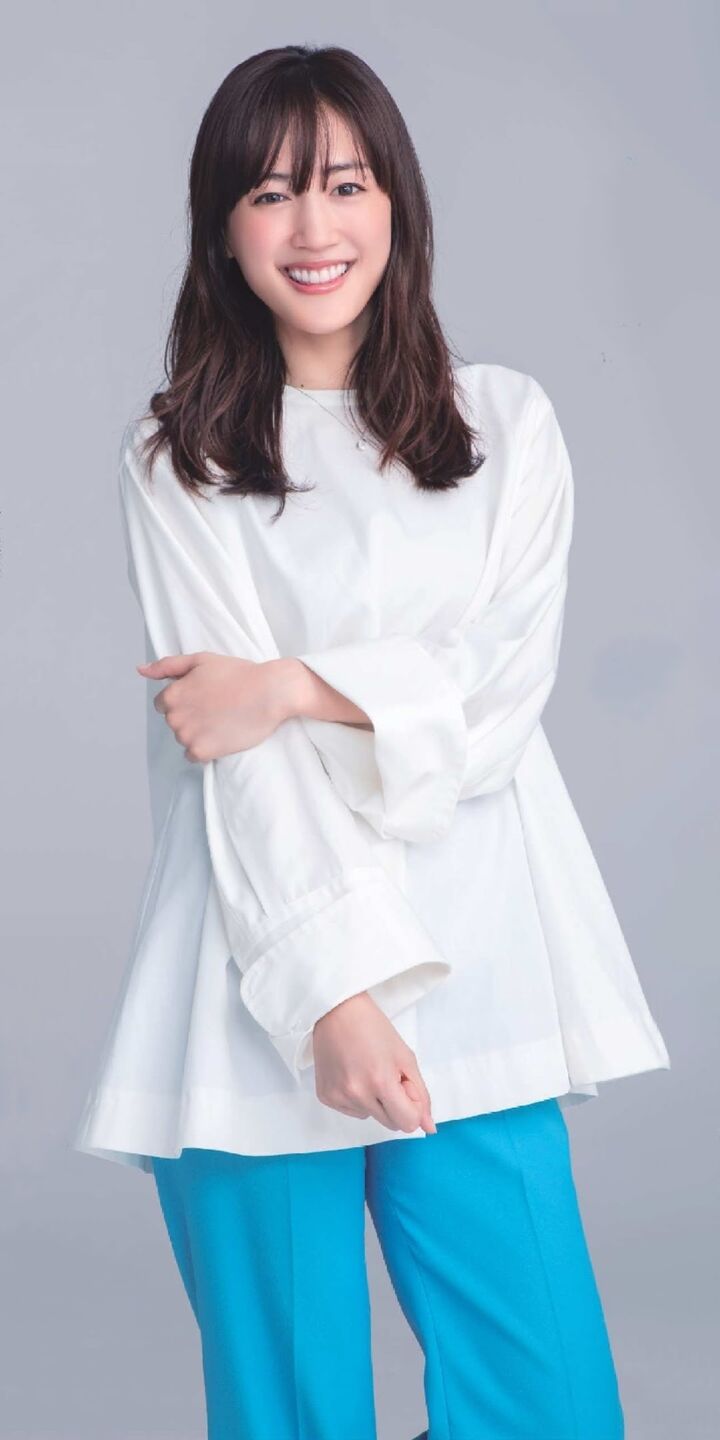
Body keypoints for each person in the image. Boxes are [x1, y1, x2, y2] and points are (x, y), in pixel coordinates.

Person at [72, 43, 670, 1440]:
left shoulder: (506, 424)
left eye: (345, 184)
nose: (313, 226)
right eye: (270, 193)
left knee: (549, 1404)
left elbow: (497, 705)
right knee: (294, 1411)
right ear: (224, 228)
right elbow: (233, 757)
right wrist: (333, 995)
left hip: (479, 962)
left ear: (397, 201)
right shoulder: (177, 459)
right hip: (256, 981)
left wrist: (288, 684)